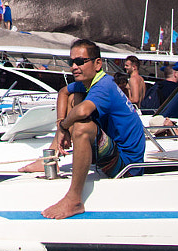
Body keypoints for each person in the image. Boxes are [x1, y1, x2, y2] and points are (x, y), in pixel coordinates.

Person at [40, 39, 147, 220]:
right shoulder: (89, 83)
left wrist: (64, 127)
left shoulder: (104, 85)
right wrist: (61, 126)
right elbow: (63, 93)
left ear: (97, 64)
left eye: (81, 61)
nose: (74, 66)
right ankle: (52, 155)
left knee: (82, 125)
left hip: (127, 166)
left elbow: (83, 111)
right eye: (71, 62)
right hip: (114, 153)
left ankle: (74, 200)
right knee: (75, 97)